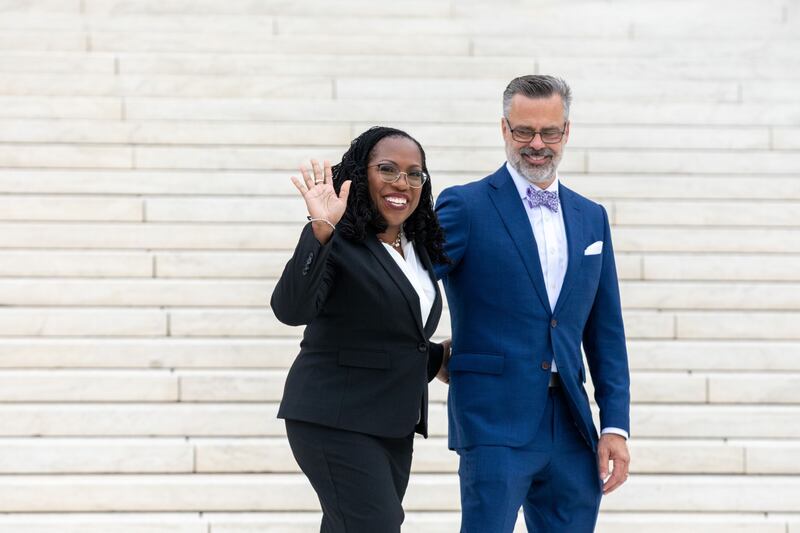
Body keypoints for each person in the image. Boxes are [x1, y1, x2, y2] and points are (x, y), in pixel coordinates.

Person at [434, 75, 631, 532]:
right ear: (504, 129)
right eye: (524, 131)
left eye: (549, 132)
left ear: (567, 131)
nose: (537, 144)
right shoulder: (465, 205)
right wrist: (425, 353)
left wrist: (614, 426)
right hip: (493, 420)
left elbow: (606, 332)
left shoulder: (591, 217)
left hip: (572, 425)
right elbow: (409, 283)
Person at [271, 126, 451, 533]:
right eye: (387, 169)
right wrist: (320, 229)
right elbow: (290, 309)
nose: (401, 182)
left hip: (391, 423)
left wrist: (436, 357)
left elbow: (384, 331)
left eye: (414, 173)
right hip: (335, 419)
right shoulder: (338, 240)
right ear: (360, 174)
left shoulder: (416, 249)